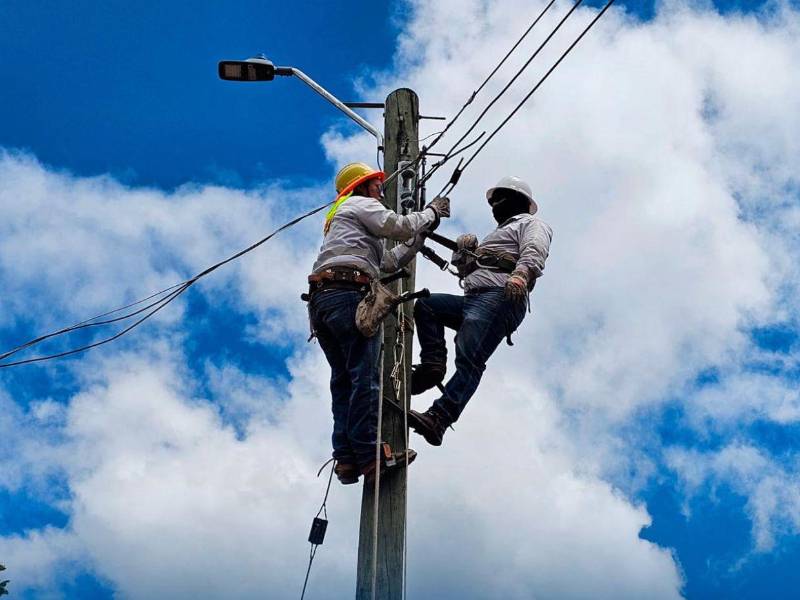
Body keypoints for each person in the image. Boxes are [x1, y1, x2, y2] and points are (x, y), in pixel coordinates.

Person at [307, 162, 450, 483]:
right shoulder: (360, 203)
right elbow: (398, 225)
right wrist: (431, 214)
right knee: (364, 376)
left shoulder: (340, 220)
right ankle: (371, 455)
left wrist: (418, 238)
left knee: (343, 380)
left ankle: (346, 459)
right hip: (348, 294)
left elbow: (385, 261)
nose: (381, 192)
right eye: (376, 186)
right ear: (362, 186)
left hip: (323, 300)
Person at [408, 176, 552, 446]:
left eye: (501, 199)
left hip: (501, 297)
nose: (495, 205)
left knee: (470, 359)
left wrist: (521, 274)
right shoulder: (496, 237)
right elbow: (466, 271)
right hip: (475, 297)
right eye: (494, 201)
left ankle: (439, 418)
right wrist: (464, 253)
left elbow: (534, 250)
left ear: (518, 200)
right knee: (428, 306)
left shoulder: (531, 224)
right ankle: (432, 368)